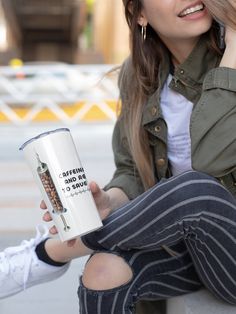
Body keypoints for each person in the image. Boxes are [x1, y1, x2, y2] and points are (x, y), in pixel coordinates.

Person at [1, 0, 236, 313]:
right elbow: (133, 172)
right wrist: (108, 203)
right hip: (192, 251)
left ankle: (48, 255)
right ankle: (60, 248)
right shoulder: (139, 76)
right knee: (103, 269)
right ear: (140, 13)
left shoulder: (230, 58)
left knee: (198, 190)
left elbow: (211, 160)